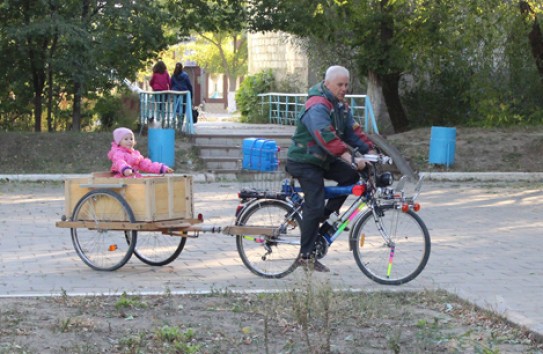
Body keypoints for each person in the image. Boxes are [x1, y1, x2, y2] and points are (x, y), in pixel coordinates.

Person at [286, 65, 375, 273]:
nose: (344, 88)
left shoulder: (340, 106)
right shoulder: (317, 105)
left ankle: (325, 217)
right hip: (305, 160)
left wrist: (371, 152)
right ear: (327, 84)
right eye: (340, 85)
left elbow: (354, 133)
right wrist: (349, 156)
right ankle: (305, 256)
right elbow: (325, 136)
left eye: (346, 84)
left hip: (322, 160)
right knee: (314, 206)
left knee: (352, 176)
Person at [108, 127, 173, 178]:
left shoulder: (135, 155)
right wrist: (125, 169)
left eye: (131, 139)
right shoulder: (118, 153)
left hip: (133, 178)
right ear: (118, 142)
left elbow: (146, 165)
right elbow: (119, 162)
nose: (129, 141)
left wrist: (161, 168)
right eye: (126, 139)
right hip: (122, 178)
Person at [170, 62, 194, 127]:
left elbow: (171, 84)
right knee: (183, 108)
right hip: (184, 94)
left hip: (175, 94)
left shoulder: (173, 76)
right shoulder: (185, 75)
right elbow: (189, 85)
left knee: (176, 108)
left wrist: (171, 91)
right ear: (182, 68)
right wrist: (191, 95)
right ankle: (181, 122)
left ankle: (177, 121)